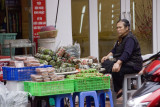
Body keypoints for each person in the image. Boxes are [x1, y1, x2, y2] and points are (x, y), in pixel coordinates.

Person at [101, 19, 143, 99]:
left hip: (133, 64)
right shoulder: (121, 38)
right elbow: (114, 50)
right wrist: (107, 56)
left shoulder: (130, 38)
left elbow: (127, 53)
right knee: (105, 62)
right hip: (124, 62)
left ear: (127, 28)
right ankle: (118, 87)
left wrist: (118, 63)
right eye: (117, 28)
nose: (118, 29)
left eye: (120, 27)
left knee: (115, 68)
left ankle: (119, 89)